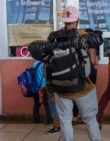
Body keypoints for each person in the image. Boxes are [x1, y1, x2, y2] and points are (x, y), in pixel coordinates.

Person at [49, 6, 101, 141]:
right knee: (90, 119)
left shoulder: (54, 37)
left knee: (65, 120)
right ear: (77, 19)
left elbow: (48, 63)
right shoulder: (84, 36)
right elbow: (93, 61)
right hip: (83, 87)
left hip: (60, 88)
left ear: (64, 20)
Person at [32, 60, 53, 125]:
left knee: (36, 104)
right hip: (44, 86)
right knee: (47, 103)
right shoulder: (44, 64)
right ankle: (49, 120)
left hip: (36, 86)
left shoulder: (34, 63)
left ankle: (36, 120)